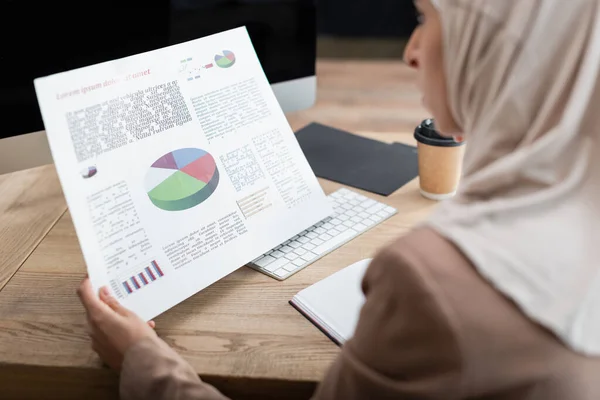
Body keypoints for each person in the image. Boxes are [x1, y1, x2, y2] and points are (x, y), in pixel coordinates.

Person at [78, 0, 600, 398]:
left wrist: (140, 358)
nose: (411, 51)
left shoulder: (430, 284)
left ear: (497, 45)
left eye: (426, 18)